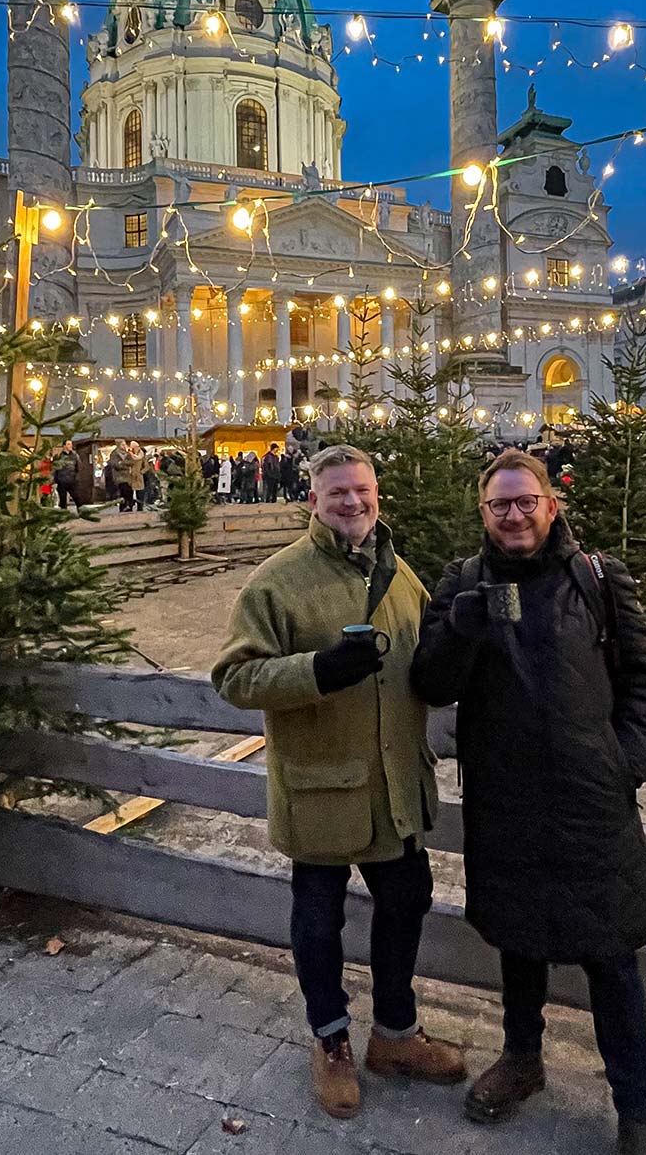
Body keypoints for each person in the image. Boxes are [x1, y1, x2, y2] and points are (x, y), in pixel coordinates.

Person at [412, 450, 646, 1155]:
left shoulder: (596, 578)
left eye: (527, 501)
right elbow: (430, 681)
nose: (515, 514)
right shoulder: (462, 582)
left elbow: (645, 676)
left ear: (551, 505)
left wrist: (626, 757)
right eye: (501, 505)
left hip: (592, 799)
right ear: (484, 513)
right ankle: (522, 1057)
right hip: (508, 798)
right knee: (519, 940)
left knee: (612, 955)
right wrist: (460, 629)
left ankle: (636, 1108)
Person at [211, 445, 464, 1119]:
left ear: (377, 494)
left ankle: (396, 1033)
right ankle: (330, 1039)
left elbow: (426, 663)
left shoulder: (398, 572)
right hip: (322, 785)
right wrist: (319, 670)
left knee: (408, 899)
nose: (353, 502)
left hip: (394, 783)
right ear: (313, 501)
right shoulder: (277, 582)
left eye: (362, 490)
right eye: (337, 493)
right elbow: (234, 677)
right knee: (319, 919)